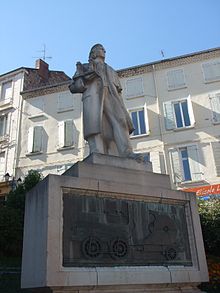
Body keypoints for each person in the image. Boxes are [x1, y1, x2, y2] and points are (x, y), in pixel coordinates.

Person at [69, 44, 142, 160]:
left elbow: (118, 91)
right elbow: (74, 87)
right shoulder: (85, 67)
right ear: (93, 53)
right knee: (95, 126)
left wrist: (122, 106)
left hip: (112, 96)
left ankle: (126, 152)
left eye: (104, 49)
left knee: (120, 121)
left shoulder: (111, 70)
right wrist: (82, 77)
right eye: (100, 48)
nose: (104, 50)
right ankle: (96, 152)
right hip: (93, 98)